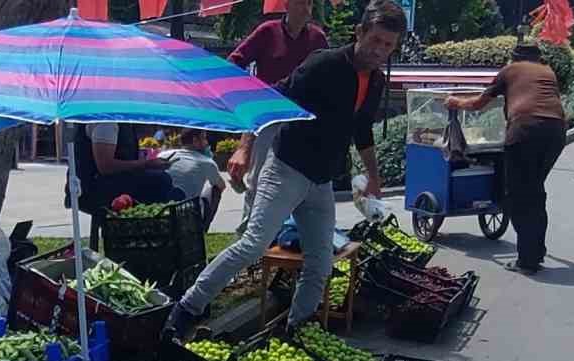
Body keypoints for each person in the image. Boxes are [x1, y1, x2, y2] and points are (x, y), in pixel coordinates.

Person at [163, 0, 403, 339]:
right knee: (253, 245)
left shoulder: (376, 81)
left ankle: (299, 331)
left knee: (320, 263)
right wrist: (245, 147)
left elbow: (362, 130)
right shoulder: (324, 64)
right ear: (359, 32)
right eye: (376, 40)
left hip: (320, 182)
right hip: (287, 168)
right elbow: (274, 99)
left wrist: (374, 177)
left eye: (388, 45)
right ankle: (187, 308)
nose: (380, 50)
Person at [448, 42, 567, 274]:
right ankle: (536, 250)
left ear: (513, 58)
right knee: (534, 190)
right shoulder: (547, 71)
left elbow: (479, 104)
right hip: (556, 132)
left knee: (517, 195)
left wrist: (455, 103)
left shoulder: (510, 71)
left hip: (524, 130)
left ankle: (527, 260)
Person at [227, 0, 329, 233]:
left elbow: (326, 73)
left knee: (299, 181)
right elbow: (235, 61)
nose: (306, 9)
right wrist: (247, 92)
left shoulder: (317, 38)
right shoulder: (267, 32)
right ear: (287, 5)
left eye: (310, 3)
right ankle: (248, 237)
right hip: (269, 116)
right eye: (301, 3)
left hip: (303, 120)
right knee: (258, 181)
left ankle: (288, 239)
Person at [68, 122, 182, 212]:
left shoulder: (124, 124)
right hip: (92, 188)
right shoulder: (107, 124)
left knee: (170, 187)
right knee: (160, 181)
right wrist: (147, 164)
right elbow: (105, 166)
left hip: (112, 181)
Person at [159, 129, 227, 229]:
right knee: (215, 189)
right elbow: (221, 186)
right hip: (189, 214)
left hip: (162, 211)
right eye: (204, 139)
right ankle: (203, 227)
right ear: (195, 140)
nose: (207, 143)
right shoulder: (206, 162)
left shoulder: (163, 155)